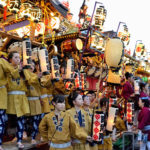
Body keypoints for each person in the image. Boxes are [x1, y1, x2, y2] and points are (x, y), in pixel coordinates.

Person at [6, 51, 30, 148]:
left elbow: (29, 82)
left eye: (19, 57)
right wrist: (17, 70)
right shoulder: (7, 68)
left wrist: (26, 71)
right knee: (8, 120)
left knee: (21, 119)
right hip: (11, 97)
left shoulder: (23, 70)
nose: (18, 59)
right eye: (15, 57)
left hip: (21, 98)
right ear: (10, 59)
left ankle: (19, 140)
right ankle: (14, 137)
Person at [0, 57, 19, 150]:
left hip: (1, 94)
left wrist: (18, 68)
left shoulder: (2, 61)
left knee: (1, 121)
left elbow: (14, 74)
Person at [23, 60, 42, 144]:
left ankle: (33, 137)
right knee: (25, 120)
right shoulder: (24, 74)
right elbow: (29, 80)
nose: (32, 67)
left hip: (36, 100)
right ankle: (22, 134)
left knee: (36, 120)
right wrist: (37, 77)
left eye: (33, 65)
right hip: (27, 100)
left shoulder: (36, 75)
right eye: (30, 65)